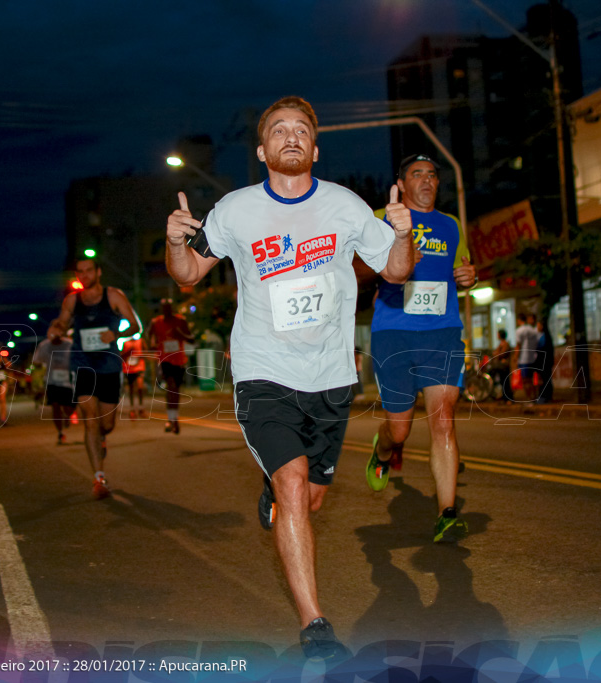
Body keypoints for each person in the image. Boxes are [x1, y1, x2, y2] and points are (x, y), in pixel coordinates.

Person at [164, 96, 414, 659]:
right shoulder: (236, 210)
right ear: (263, 150)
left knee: (311, 497)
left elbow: (396, 271)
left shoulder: (347, 207)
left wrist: (400, 234)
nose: (292, 136)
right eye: (279, 130)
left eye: (302, 129)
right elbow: (187, 277)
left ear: (316, 148)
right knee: (295, 483)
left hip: (330, 375)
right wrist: (175, 241)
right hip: (263, 371)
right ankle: (315, 626)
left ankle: (275, 488)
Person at [363, 153, 477, 543]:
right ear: (402, 181)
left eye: (432, 174)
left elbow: (463, 268)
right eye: (417, 174)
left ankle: (447, 512)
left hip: (442, 330)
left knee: (443, 420)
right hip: (393, 331)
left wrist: (468, 276)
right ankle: (383, 450)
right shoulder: (383, 215)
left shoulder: (451, 225)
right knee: (400, 429)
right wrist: (395, 258)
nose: (426, 181)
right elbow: (359, 267)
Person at [47, 257, 140, 500]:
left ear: (98, 272)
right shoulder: (72, 300)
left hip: (109, 366)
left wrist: (116, 333)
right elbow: (62, 322)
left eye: (89, 270)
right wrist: (55, 329)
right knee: (91, 420)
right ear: (76, 275)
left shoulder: (113, 296)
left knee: (105, 425)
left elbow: (135, 325)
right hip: (83, 365)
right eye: (80, 272)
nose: (85, 275)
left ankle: (101, 441)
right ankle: (99, 477)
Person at [146, 300, 194, 433]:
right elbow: (148, 335)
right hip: (165, 360)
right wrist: (152, 345)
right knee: (171, 385)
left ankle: (174, 418)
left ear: (171, 308)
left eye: (168, 308)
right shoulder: (156, 322)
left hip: (179, 360)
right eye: (164, 308)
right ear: (161, 309)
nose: (166, 310)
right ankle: (171, 419)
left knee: (175, 389)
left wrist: (181, 335)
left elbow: (191, 338)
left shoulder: (180, 321)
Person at [33, 325, 76, 445]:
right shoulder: (44, 345)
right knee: (55, 406)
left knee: (69, 407)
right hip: (51, 381)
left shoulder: (70, 344)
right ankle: (60, 432)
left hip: (68, 381)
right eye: (52, 334)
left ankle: (67, 416)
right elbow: (36, 361)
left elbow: (78, 357)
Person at [513, 313, 539, 402]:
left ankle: (529, 398)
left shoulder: (519, 330)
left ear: (519, 320)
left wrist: (515, 357)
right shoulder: (533, 330)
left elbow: (518, 346)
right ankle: (534, 396)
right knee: (532, 379)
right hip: (533, 357)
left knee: (526, 380)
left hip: (524, 358)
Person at [120, 333, 147, 419]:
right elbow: (122, 355)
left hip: (139, 367)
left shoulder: (141, 341)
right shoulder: (126, 343)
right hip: (129, 368)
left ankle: (141, 407)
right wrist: (128, 352)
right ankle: (132, 409)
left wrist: (139, 354)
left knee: (140, 387)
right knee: (131, 387)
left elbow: (147, 352)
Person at [490, 329, 513, 404]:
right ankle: (504, 397)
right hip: (501, 366)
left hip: (504, 366)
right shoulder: (501, 343)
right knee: (502, 381)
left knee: (505, 382)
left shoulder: (505, 344)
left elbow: (501, 354)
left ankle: (508, 398)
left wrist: (496, 354)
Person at [536, 316, 555, 404]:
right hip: (544, 361)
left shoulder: (544, 337)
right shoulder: (544, 336)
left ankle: (545, 396)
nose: (537, 327)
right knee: (546, 379)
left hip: (544, 362)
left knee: (546, 379)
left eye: (539, 325)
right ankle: (546, 396)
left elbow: (542, 350)